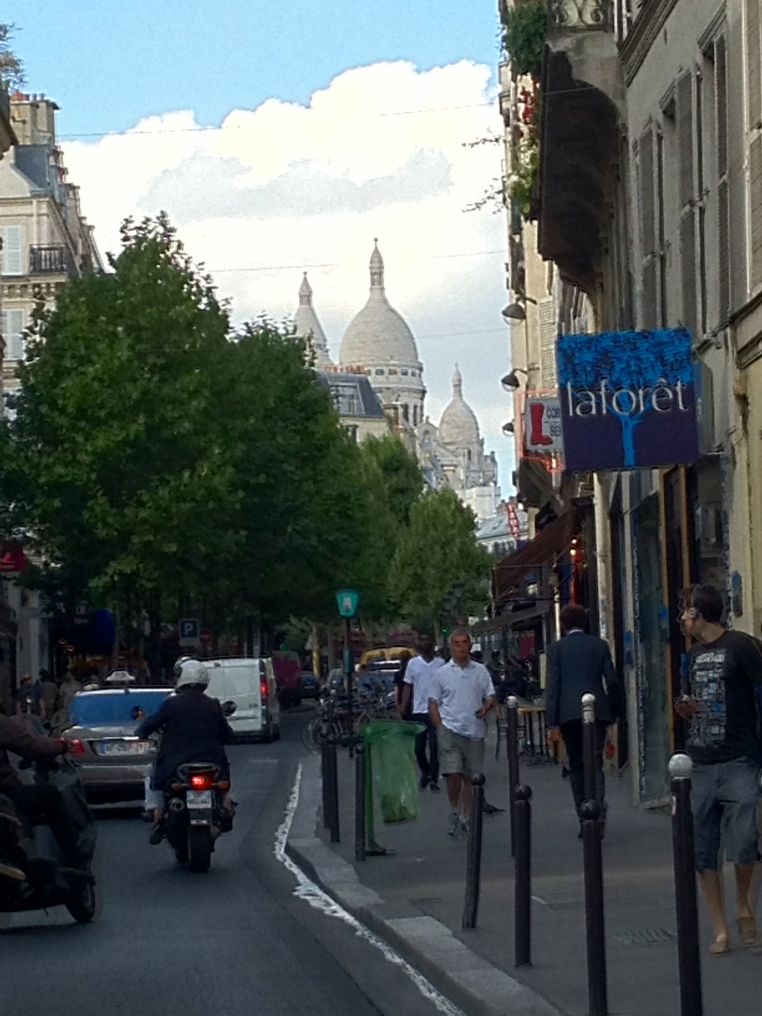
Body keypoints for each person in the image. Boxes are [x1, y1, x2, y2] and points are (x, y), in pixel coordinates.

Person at [676, 584, 762, 955]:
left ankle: (742, 904)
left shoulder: (741, 647)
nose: (682, 618)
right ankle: (720, 927)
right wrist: (684, 709)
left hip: (739, 757)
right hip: (701, 762)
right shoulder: (690, 656)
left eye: (686, 610)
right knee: (703, 849)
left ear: (699, 613)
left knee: (744, 841)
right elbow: (688, 698)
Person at [136, 658, 235, 844]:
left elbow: (150, 724)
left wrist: (141, 731)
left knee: (151, 773)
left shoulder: (171, 704)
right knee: (224, 780)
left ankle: (156, 812)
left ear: (182, 678)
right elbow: (228, 735)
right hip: (211, 764)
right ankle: (226, 806)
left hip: (176, 765)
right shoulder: (213, 704)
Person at [546, 604, 619, 835]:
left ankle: (584, 817)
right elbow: (612, 680)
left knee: (576, 764)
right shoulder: (599, 645)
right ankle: (597, 810)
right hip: (597, 711)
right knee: (595, 762)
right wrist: (613, 712)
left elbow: (553, 686)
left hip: (569, 714)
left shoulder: (556, 649)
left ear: (563, 625)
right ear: (585, 623)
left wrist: (552, 722)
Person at [428, 627, 496, 835]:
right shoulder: (441, 674)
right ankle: (454, 809)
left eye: (464, 642)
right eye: (456, 643)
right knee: (453, 773)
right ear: (451, 647)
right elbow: (433, 703)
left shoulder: (480, 671)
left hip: (474, 731)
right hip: (450, 729)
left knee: (471, 777)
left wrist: (486, 707)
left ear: (470, 645)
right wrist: (440, 727)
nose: (461, 647)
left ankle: (466, 815)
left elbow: (491, 695)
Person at [0, 709, 80, 882]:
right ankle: (75, 862)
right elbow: (33, 746)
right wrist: (61, 745)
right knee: (50, 794)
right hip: (6, 796)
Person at [401, 633, 444, 791]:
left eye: (427, 640)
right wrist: (403, 705)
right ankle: (426, 772)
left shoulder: (441, 664)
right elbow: (408, 685)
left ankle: (434, 778)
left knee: (434, 747)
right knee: (418, 748)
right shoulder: (413, 664)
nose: (425, 643)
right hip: (418, 711)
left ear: (433, 643)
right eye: (422, 640)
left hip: (437, 710)